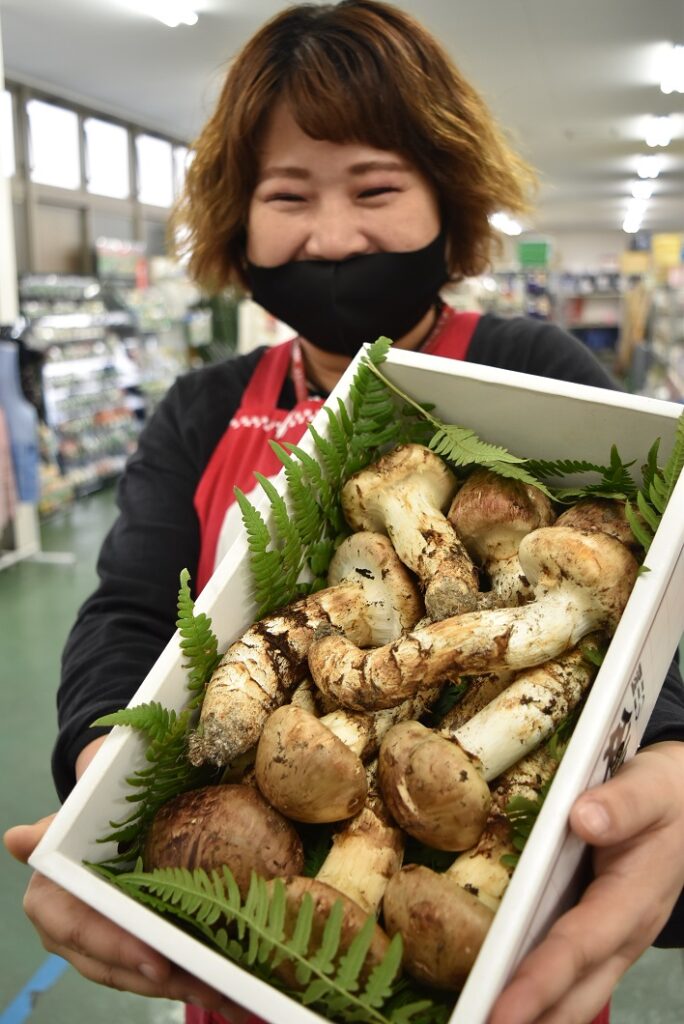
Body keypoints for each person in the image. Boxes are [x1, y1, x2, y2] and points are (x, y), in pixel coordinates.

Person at [4, 3, 684, 1024]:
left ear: (447, 202)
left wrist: (671, 756)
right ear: (241, 219)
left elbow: (656, 612)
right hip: (244, 953)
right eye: (287, 195)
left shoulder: (534, 371)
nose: (330, 237)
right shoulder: (199, 410)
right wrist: (107, 756)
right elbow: (128, 611)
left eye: (375, 188)